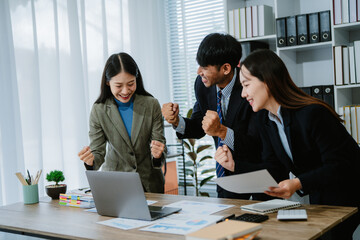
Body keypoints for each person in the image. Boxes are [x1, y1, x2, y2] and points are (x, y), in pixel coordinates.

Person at [215, 49, 360, 239]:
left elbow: (341, 166)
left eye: (246, 85)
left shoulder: (313, 114)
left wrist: (298, 183)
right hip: (321, 200)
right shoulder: (265, 120)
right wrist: (234, 166)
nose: (243, 94)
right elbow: (274, 168)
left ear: (267, 81)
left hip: (347, 195)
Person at [162, 33, 265, 199]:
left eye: (204, 67)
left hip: (255, 176)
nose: (198, 72)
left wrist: (222, 131)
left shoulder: (250, 88)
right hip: (225, 178)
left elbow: (256, 144)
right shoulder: (203, 86)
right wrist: (176, 121)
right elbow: (199, 125)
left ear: (225, 68)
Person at [78, 52, 166, 193]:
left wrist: (157, 155)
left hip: (150, 186)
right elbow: (97, 151)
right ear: (108, 82)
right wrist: (90, 161)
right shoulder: (99, 110)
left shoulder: (151, 105)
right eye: (118, 85)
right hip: (115, 187)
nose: (125, 91)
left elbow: (160, 145)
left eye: (131, 84)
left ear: (137, 79)